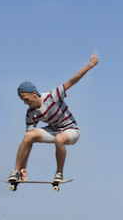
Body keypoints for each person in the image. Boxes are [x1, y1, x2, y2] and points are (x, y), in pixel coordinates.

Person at [9, 52, 99, 183]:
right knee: (28, 136)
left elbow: (73, 81)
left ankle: (59, 173)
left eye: (26, 99)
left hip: (71, 131)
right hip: (53, 130)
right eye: (23, 101)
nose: (25, 103)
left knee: (59, 139)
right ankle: (16, 171)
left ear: (34, 94)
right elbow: (28, 144)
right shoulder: (30, 113)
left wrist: (90, 65)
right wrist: (24, 166)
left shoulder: (52, 96)